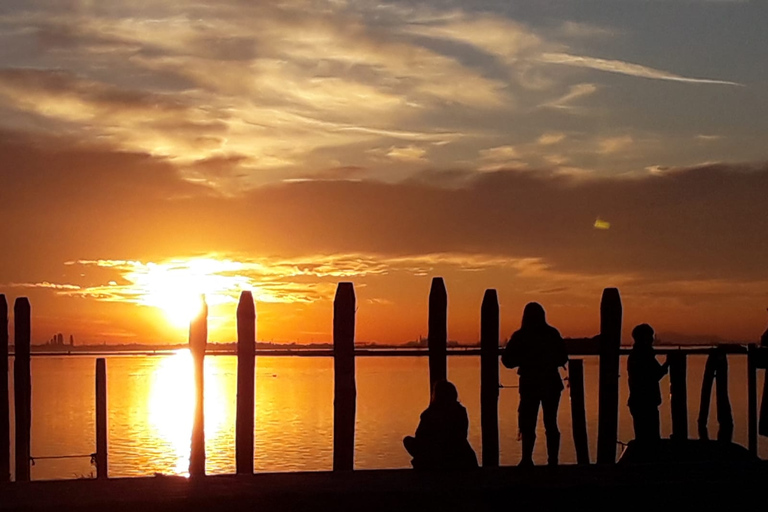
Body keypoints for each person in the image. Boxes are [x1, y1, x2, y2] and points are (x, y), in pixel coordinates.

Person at [502, 302, 568, 466]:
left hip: (530, 383)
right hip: (551, 383)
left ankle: (526, 459)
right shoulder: (552, 333)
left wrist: (524, 360)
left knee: (528, 422)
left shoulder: (521, 335)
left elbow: (507, 360)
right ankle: (553, 460)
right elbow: (562, 357)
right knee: (551, 422)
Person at [403, 380, 478, 470]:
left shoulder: (430, 413)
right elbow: (463, 435)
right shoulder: (460, 411)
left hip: (437, 455)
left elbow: (420, 436)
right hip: (460, 454)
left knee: (407, 440)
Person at [627, 323, 669, 441]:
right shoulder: (643, 355)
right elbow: (654, 375)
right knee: (650, 437)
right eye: (649, 336)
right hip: (645, 402)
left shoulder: (638, 354)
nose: (651, 339)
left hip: (639, 402)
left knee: (644, 436)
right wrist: (667, 363)